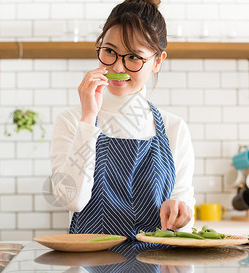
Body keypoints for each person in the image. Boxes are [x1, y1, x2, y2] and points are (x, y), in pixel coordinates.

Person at [50, 0, 195, 239]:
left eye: (134, 57)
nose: (117, 66)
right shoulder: (71, 121)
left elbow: (184, 205)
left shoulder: (174, 128)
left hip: (157, 267)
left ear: (157, 62)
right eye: (109, 51)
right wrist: (88, 119)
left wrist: (180, 211)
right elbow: (73, 201)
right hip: (89, 270)